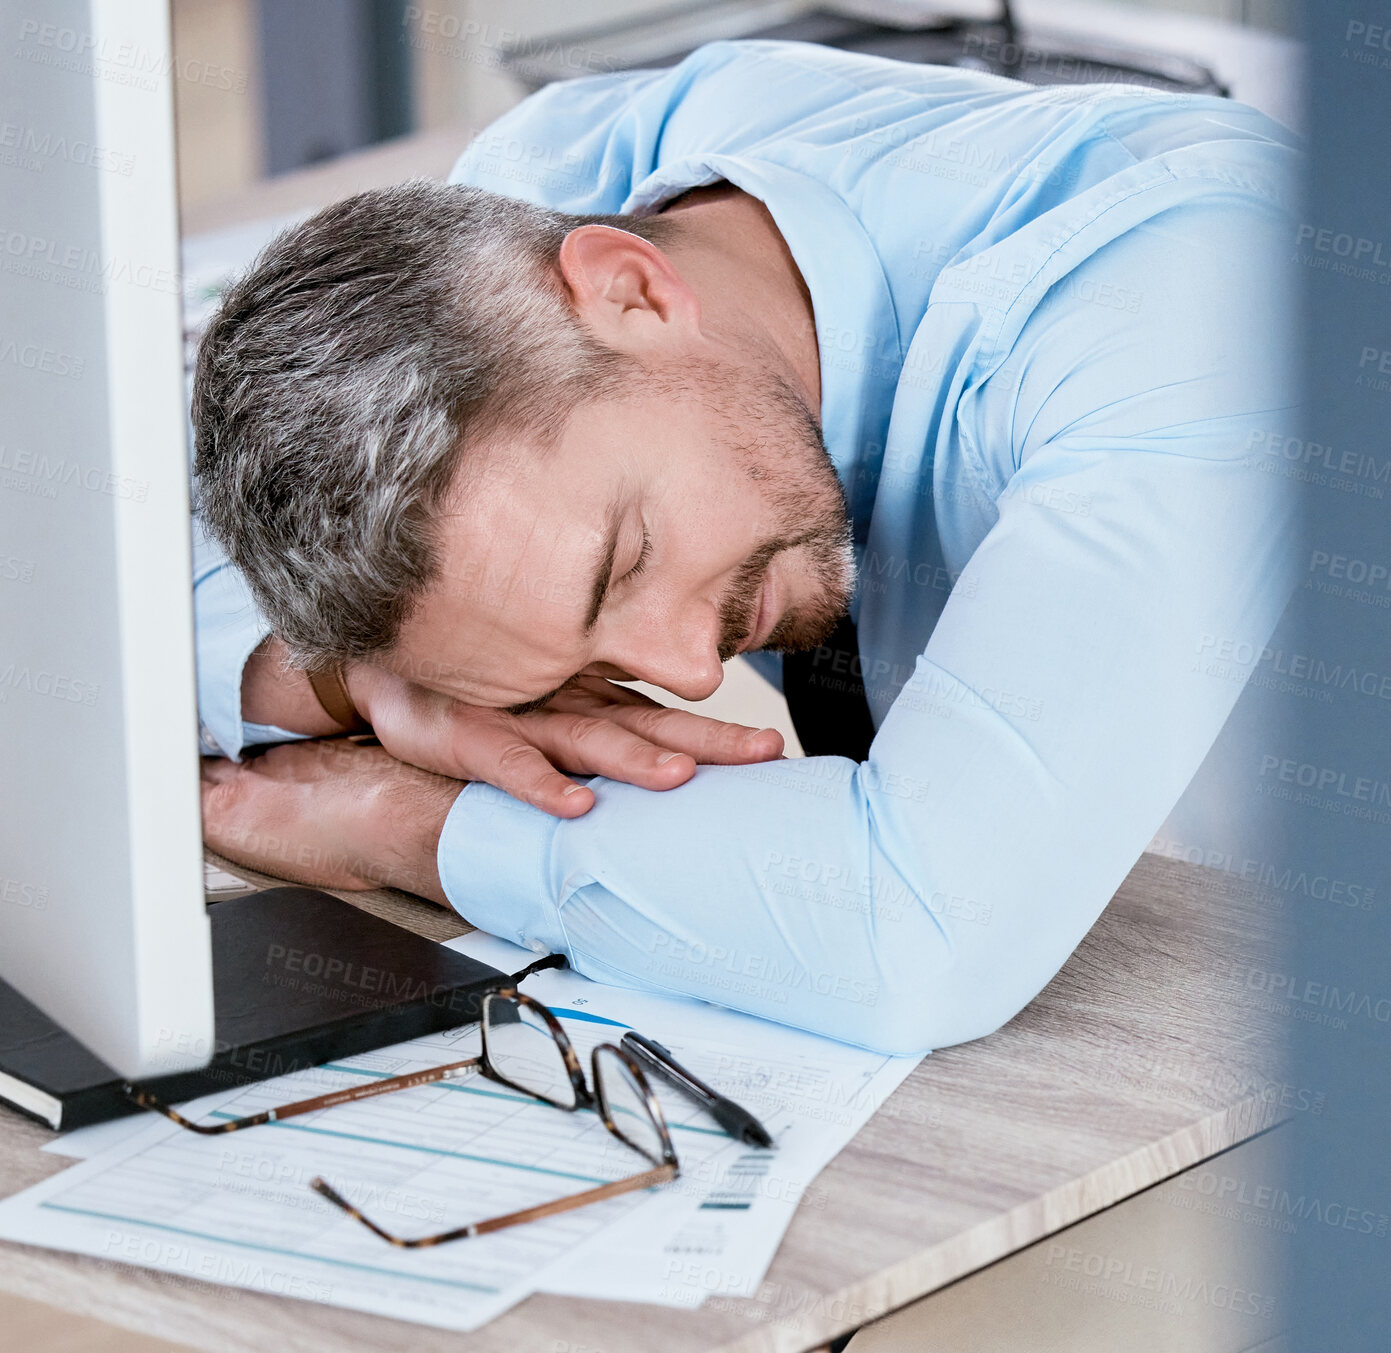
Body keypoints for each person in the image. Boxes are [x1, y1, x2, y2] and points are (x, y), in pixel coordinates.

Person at [192, 40, 1300, 1054]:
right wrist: (375, 684)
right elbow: (104, 580)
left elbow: (916, 934)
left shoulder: (1187, 311)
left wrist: (410, 825)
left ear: (630, 289)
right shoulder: (512, 246)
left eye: (622, 562)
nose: (684, 671)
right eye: (590, 647)